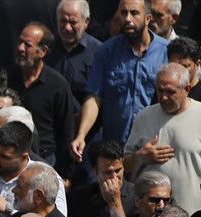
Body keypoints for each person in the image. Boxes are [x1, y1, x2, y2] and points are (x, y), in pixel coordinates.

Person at [70, 0, 169, 160]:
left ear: (148, 18)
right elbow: (94, 97)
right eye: (123, 13)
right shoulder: (106, 51)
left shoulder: (167, 52)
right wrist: (81, 135)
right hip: (115, 149)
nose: (128, 19)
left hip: (154, 150)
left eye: (134, 13)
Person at [124, 63, 201, 214]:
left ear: (187, 89)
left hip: (194, 213)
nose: (164, 97)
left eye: (170, 92)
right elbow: (125, 165)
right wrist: (141, 157)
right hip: (151, 214)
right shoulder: (144, 116)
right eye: (160, 90)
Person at [7, 22, 75, 170]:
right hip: (9, 155)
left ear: (42, 51)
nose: (20, 48)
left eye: (27, 45)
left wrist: (66, 173)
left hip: (45, 159)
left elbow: (66, 132)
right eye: (19, 42)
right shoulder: (6, 78)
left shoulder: (57, 86)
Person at [46, 0, 102, 110]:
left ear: (86, 22)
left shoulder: (99, 53)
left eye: (73, 22)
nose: (67, 27)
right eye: (63, 21)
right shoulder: (46, 49)